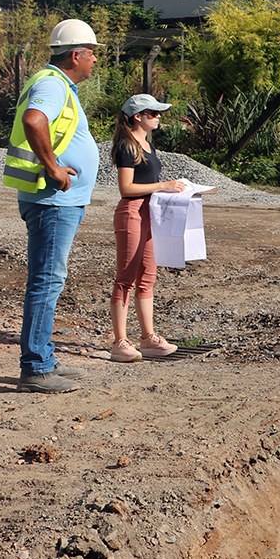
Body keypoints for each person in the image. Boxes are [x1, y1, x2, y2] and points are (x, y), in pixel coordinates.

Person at [3, 19, 104, 393]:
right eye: (92, 53)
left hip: (56, 200)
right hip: (53, 200)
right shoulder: (52, 83)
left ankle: (44, 357)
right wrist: (53, 167)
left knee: (49, 279)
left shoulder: (59, 84)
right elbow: (34, 120)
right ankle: (36, 368)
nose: (95, 60)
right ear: (75, 55)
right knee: (47, 280)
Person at [109, 94, 186, 362]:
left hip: (150, 212)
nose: (158, 117)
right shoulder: (126, 146)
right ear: (137, 116)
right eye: (153, 113)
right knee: (126, 278)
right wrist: (162, 186)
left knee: (147, 276)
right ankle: (120, 342)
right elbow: (126, 188)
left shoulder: (147, 145)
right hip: (132, 212)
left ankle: (148, 338)